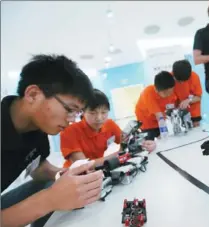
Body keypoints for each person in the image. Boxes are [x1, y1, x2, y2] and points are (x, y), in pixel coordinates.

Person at [1, 54, 104, 227]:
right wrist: (48, 200)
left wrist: (62, 175)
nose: (72, 120)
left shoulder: (37, 129)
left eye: (77, 113)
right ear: (33, 95)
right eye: (70, 109)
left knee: (50, 184)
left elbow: (36, 167)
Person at [60, 89, 156, 168]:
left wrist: (145, 144)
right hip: (75, 179)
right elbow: (83, 166)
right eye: (93, 113)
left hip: (100, 172)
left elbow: (126, 141)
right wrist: (118, 154)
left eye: (104, 112)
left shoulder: (109, 124)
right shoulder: (69, 131)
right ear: (83, 112)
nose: (99, 118)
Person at [135, 71, 178, 140]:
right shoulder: (148, 93)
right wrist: (164, 133)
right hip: (146, 123)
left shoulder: (169, 91)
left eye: (171, 91)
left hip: (158, 121)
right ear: (157, 90)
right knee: (153, 144)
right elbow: (159, 116)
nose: (169, 95)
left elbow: (172, 106)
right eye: (166, 93)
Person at [172, 59, 203, 127]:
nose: (182, 83)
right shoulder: (169, 78)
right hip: (176, 113)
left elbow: (198, 97)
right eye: (179, 81)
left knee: (196, 132)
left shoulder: (194, 77)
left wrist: (188, 100)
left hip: (193, 112)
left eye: (184, 80)